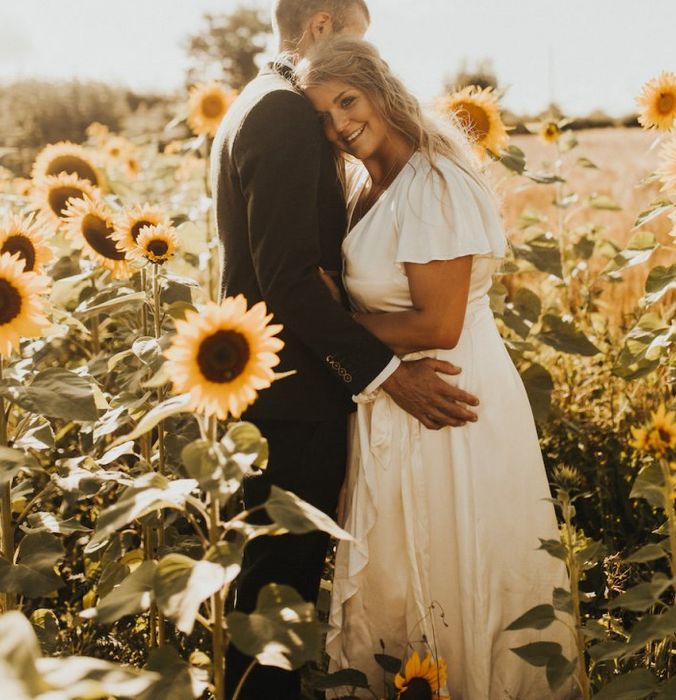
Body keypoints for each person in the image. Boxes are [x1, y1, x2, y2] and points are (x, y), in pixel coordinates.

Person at [210, 2, 480, 698]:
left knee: (267, 595)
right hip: (294, 403)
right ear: (322, 23)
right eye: (358, 36)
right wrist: (388, 373)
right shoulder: (285, 115)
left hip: (266, 391)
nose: (368, 59)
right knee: (277, 600)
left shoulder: (252, 102)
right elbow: (291, 281)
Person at [297, 38, 576, 699]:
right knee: (403, 575)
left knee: (462, 566)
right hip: (394, 397)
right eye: (324, 117)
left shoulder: (434, 181)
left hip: (450, 401)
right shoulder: (369, 185)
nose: (339, 125)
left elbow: (437, 324)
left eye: (347, 101)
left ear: (380, 90)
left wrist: (327, 324)